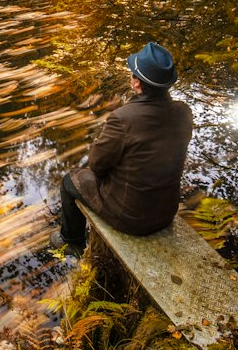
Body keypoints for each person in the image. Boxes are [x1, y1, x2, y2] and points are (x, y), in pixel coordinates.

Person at [59, 41, 193, 243]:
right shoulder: (184, 111)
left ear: (137, 83)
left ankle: (71, 241)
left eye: (132, 74)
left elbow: (97, 165)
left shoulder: (123, 118)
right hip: (167, 211)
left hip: (131, 219)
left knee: (70, 181)